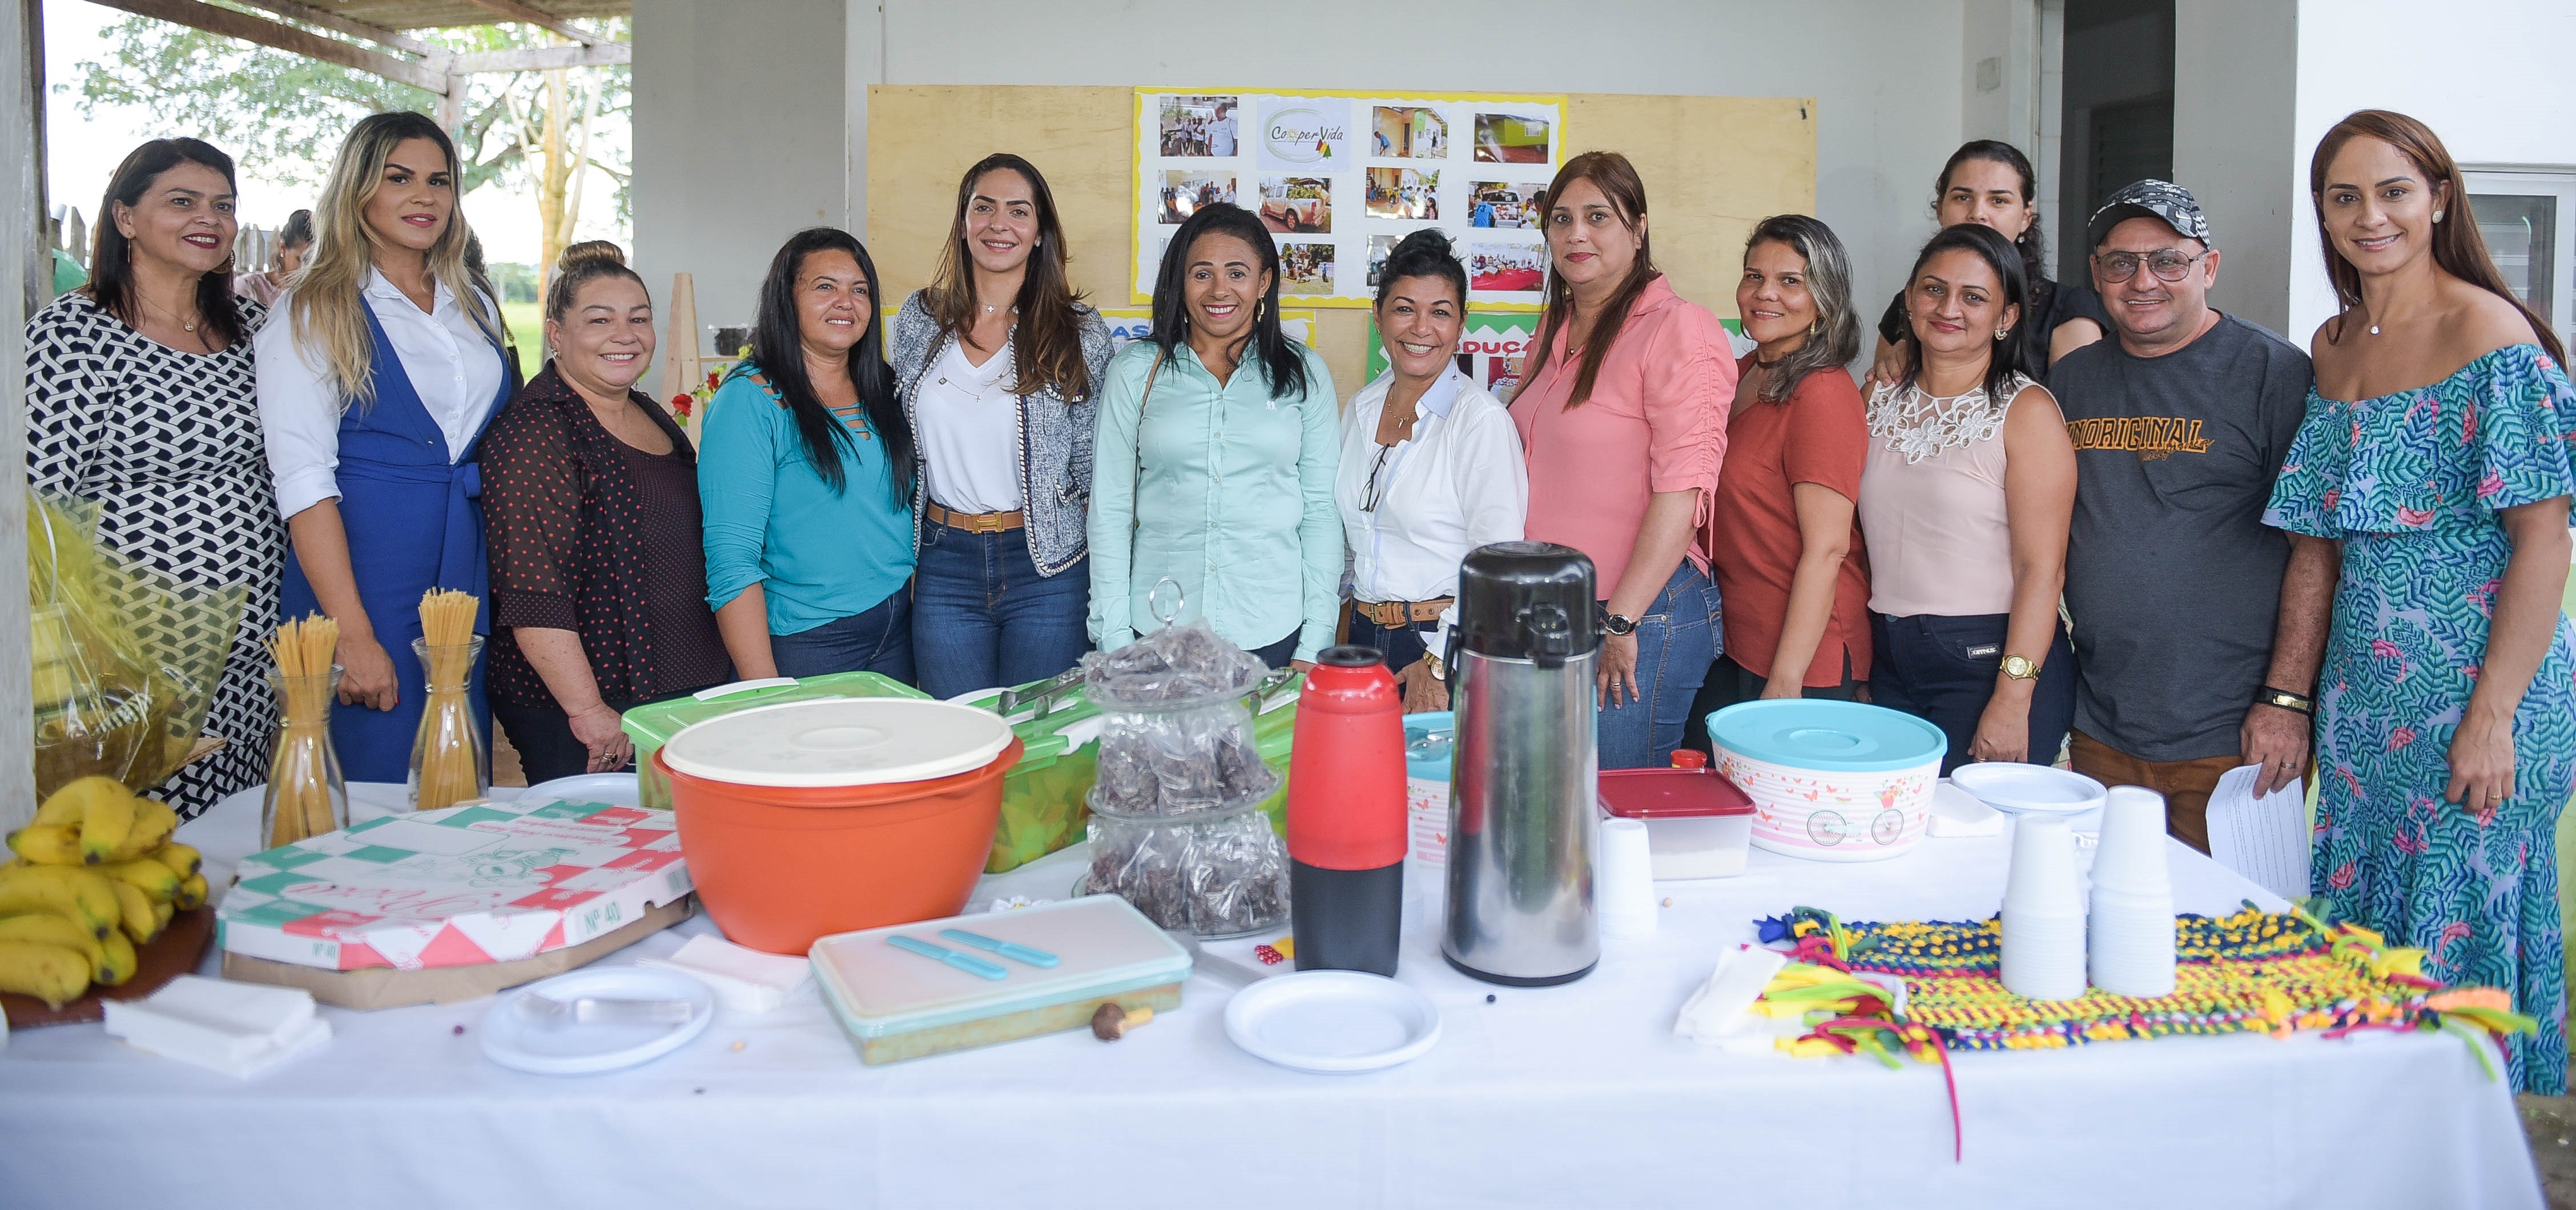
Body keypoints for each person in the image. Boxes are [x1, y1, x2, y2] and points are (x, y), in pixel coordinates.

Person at [2266, 111, 2576, 1094]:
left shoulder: (2488, 331)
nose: (2369, 216)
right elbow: (2319, 546)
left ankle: (2487, 1163)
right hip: (2367, 705)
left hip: (2476, 699)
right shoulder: (2330, 343)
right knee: (2368, 939)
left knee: (2464, 946)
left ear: (2439, 197)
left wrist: (2490, 720)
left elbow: (2542, 540)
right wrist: (2297, 698)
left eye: (2393, 191)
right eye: (2343, 196)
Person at [2052, 180, 2318, 852]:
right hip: (2102, 726)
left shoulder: (2274, 373)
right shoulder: (2073, 380)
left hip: (2234, 735)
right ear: (2097, 275)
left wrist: (2286, 702)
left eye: (2168, 260)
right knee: (2113, 928)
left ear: (2209, 266)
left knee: (2230, 942)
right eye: (2121, 262)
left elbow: (2316, 549)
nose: (2143, 280)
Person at [25, 138, 281, 817]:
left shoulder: (254, 329)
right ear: (125, 218)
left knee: (237, 841)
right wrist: (92, 669)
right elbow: (37, 514)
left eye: (223, 204)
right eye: (182, 201)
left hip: (250, 654)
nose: (210, 218)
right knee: (144, 843)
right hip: (129, 666)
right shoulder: (74, 335)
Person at [257, 112, 512, 784]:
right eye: (398, 179)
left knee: (456, 762)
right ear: (358, 189)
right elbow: (303, 479)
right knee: (374, 768)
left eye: (439, 181)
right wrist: (352, 633)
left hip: (464, 564)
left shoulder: (473, 299)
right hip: (365, 571)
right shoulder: (313, 307)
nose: (423, 197)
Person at [1508, 151, 1732, 769]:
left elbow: (1685, 494)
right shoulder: (1555, 328)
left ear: (1638, 229)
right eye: (1561, 219)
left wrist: (1623, 621)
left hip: (1639, 614)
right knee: (1561, 799)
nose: (1576, 233)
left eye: (1598, 217)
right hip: (1557, 613)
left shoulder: (1678, 328)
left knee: (1617, 807)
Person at [480, 244, 731, 784]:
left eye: (638, 319)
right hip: (592, 713)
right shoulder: (537, 432)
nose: (625, 335)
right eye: (600, 320)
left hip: (670, 698)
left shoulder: (644, 410)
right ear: (556, 334)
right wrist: (589, 712)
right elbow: (532, 594)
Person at [1857, 223, 2076, 776]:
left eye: (1974, 297)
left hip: (1985, 658)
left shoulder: (2026, 412)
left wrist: (2012, 696)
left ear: (2006, 318)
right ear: (1908, 300)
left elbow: (2042, 570)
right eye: (1933, 289)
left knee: (1978, 844)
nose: (1948, 307)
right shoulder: (1879, 393)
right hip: (1890, 652)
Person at [893, 154, 1112, 699]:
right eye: (983, 207)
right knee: (959, 738)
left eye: (1019, 211)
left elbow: (1095, 464)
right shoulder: (919, 319)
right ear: (963, 223)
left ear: (1039, 233)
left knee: (1034, 744)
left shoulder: (1078, 331)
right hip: (944, 563)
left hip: (1048, 568)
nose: (999, 224)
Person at [1090, 202, 1339, 669]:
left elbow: (1322, 513)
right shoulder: (1137, 371)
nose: (1220, 290)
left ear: (1263, 282)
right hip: (1158, 631)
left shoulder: (1305, 374)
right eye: (1202, 274)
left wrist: (1316, 640)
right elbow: (1110, 509)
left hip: (1273, 632)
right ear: (1180, 283)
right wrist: (1115, 637)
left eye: (1237, 273)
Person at [699, 228, 918, 683]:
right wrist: (764, 687)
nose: (846, 302)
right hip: (811, 643)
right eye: (825, 287)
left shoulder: (883, 387)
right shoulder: (751, 400)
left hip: (899, 629)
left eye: (860, 290)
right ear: (786, 298)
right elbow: (731, 559)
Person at [1687, 215, 1871, 744]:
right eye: (1754, 276)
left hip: (1802, 657)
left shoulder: (1823, 394)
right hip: (1736, 637)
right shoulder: (1741, 372)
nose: (1765, 293)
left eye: (1791, 281)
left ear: (1824, 298)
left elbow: (1828, 549)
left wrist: (1787, 680)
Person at [1337, 230, 1527, 711]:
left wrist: (1439, 663)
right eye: (1404, 308)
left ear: (1461, 323)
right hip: (1360, 639)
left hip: (1439, 645)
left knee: (1433, 788)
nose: (1421, 328)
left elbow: (1499, 565)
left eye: (1440, 312)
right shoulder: (1360, 409)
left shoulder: (1479, 421)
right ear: (1378, 317)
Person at [1865, 141, 2104, 391]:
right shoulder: (1912, 303)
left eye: (1998, 201)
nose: (1977, 213)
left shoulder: (2069, 308)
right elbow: (1883, 404)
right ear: (1940, 210)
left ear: (2025, 216)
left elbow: (2077, 418)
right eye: (1963, 197)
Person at [234, 208, 311, 308]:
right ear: (283, 248)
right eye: (301, 260)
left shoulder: (318, 295)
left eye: (315, 263)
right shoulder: (249, 287)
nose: (307, 268)